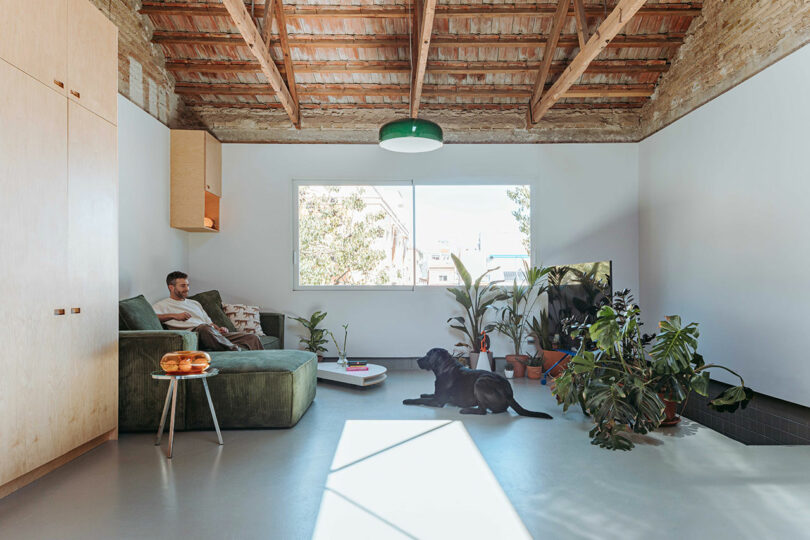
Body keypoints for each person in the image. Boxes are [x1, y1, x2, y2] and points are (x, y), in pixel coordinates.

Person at [152, 271, 262, 352]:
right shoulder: (162, 305)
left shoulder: (194, 303)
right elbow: (153, 317)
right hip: (195, 336)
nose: (187, 288)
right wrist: (174, 316)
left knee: (252, 338)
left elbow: (209, 324)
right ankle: (236, 351)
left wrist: (219, 329)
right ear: (171, 287)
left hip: (210, 333)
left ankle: (264, 365)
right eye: (183, 286)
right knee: (203, 328)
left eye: (188, 285)